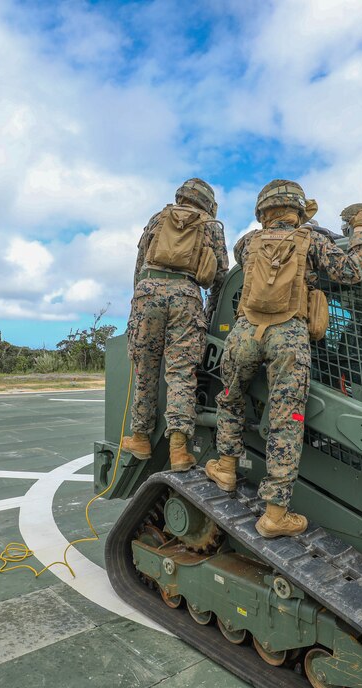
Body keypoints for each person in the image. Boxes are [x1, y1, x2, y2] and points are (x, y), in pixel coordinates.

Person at [204, 181, 362, 537]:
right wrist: (360, 230)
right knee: (289, 420)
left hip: (244, 333)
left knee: (231, 397)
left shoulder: (247, 243)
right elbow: (351, 271)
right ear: (298, 211)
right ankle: (274, 514)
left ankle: (225, 467)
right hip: (288, 334)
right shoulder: (311, 240)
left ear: (263, 212)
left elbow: (253, 260)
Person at [120, 179, 229, 471]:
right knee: (181, 373)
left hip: (148, 295)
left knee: (145, 368)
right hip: (187, 297)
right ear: (208, 202)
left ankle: (140, 437)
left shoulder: (158, 218)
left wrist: (139, 301)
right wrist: (210, 309)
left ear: (181, 196)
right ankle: (179, 450)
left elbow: (140, 264)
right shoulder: (212, 226)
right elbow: (220, 276)